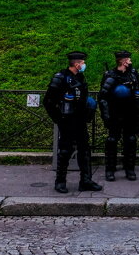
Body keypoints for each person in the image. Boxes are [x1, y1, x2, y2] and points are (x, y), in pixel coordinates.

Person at [43, 51, 102, 194]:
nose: (84, 65)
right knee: (65, 151)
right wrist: (58, 119)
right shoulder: (60, 78)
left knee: (85, 151)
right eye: (82, 63)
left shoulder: (80, 77)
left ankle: (86, 181)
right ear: (76, 64)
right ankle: (60, 182)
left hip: (79, 120)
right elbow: (48, 101)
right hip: (66, 120)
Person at [99, 50, 139, 182]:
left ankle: (129, 169)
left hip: (130, 113)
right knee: (112, 141)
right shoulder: (110, 75)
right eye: (129, 60)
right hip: (115, 113)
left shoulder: (134, 75)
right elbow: (102, 97)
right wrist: (106, 115)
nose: (131, 62)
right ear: (123, 61)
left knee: (130, 140)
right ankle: (110, 169)